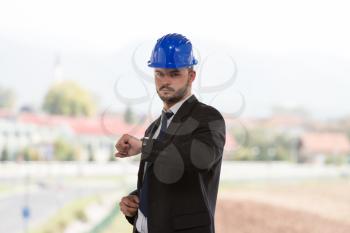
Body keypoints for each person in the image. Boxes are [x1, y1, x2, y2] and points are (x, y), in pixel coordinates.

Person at [115, 33, 226, 233]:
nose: (165, 81)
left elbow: (198, 159)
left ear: (191, 76)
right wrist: (135, 204)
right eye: (159, 73)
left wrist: (144, 146)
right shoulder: (154, 128)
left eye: (174, 74)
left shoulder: (208, 118)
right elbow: (165, 183)